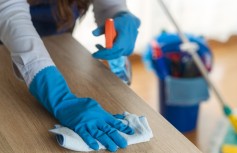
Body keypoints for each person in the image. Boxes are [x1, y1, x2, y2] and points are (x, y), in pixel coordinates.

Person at [0, 0, 140, 152]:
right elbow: (8, 10)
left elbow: (109, 5)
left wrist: (118, 13)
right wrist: (60, 97)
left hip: (59, 50)